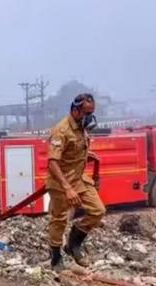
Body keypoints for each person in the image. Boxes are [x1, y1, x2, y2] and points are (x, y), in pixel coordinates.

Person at [46, 93, 105, 272]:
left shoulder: (81, 127)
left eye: (92, 113)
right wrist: (67, 188)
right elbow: (53, 162)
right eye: (86, 112)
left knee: (98, 211)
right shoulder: (61, 130)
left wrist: (88, 156)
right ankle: (56, 258)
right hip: (61, 184)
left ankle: (73, 244)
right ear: (75, 110)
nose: (90, 117)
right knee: (59, 220)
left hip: (79, 180)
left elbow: (74, 150)